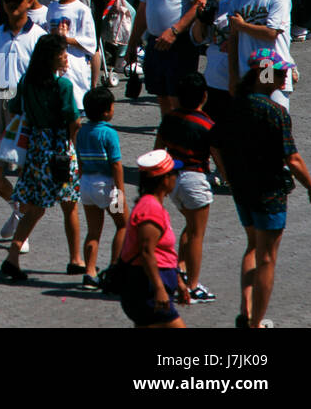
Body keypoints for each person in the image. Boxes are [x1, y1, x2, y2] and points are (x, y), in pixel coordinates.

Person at [212, 50, 311, 328]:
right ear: (266, 75)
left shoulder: (234, 106)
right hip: (269, 193)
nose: (285, 78)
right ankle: (256, 322)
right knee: (268, 258)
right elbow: (292, 158)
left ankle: (245, 309)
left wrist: (228, 176)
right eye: (281, 73)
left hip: (242, 190)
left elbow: (216, 143)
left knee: (252, 246)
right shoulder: (275, 112)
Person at [1, 33, 83, 281]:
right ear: (52, 58)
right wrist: (74, 149)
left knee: (36, 208)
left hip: (36, 147)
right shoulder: (63, 85)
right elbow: (74, 120)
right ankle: (75, 259)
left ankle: (13, 255)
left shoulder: (27, 80)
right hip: (60, 148)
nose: (66, 56)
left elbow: (14, 107)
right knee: (70, 205)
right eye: (62, 53)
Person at [0, 0, 46, 242]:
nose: (11, 5)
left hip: (27, 107)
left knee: (26, 170)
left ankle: (22, 233)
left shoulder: (39, 37)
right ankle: (18, 209)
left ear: (29, 1)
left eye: (17, 0)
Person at [153, 73, 221, 303]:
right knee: (196, 234)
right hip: (195, 179)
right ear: (204, 96)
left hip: (172, 179)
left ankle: (179, 270)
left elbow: (158, 149)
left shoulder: (169, 118)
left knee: (190, 226)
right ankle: (192, 286)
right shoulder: (207, 124)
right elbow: (219, 159)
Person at [116, 150, 189, 328]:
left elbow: (163, 252)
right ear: (164, 179)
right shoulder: (150, 209)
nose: (176, 177)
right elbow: (147, 252)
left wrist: (178, 281)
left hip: (149, 286)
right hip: (146, 288)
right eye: (174, 174)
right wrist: (159, 289)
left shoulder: (153, 205)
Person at [224, 0, 295, 109]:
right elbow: (233, 40)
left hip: (269, 66)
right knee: (250, 126)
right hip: (247, 70)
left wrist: (242, 26)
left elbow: (272, 33)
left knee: (270, 118)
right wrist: (233, 76)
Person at [77, 88, 125, 289]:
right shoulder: (109, 133)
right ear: (107, 111)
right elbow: (116, 164)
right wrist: (120, 191)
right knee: (123, 225)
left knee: (93, 231)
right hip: (107, 186)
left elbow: (79, 160)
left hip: (87, 185)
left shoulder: (81, 131)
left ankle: (89, 272)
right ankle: (115, 269)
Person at [45, 0, 98, 111]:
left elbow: (90, 43)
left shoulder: (82, 10)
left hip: (75, 65)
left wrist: (65, 39)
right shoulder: (52, 7)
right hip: (54, 64)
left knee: (74, 107)